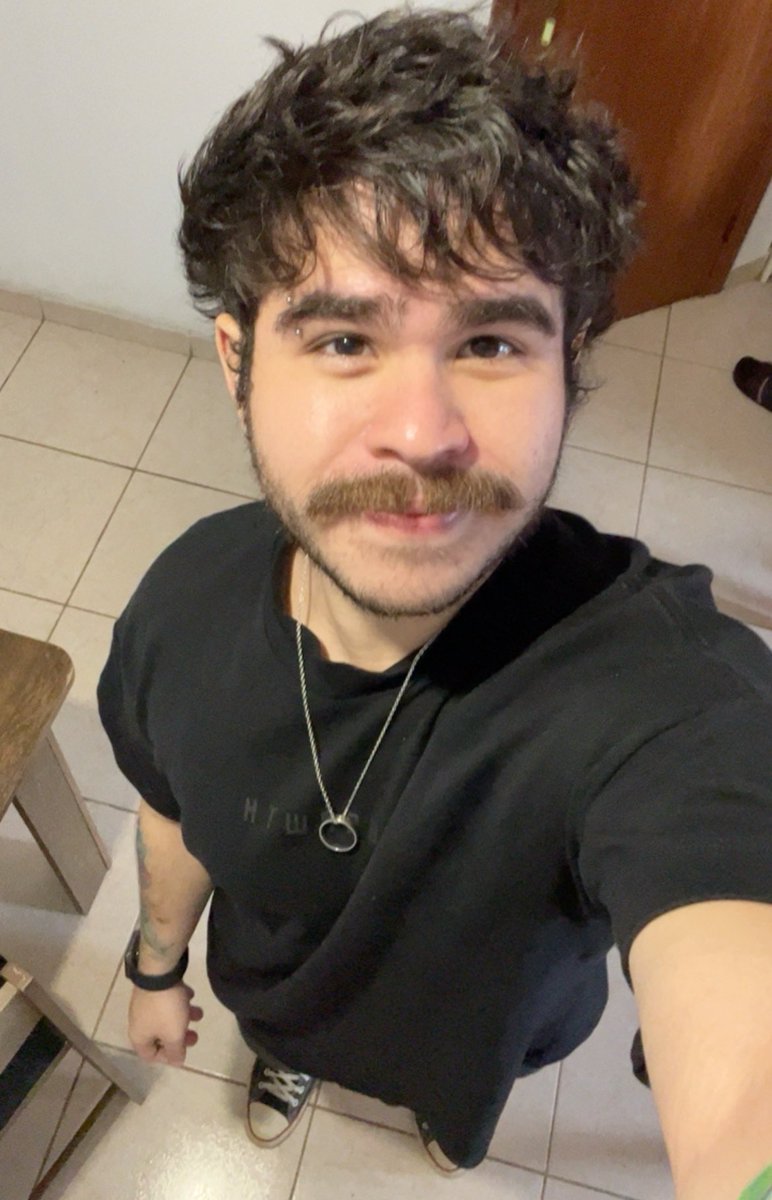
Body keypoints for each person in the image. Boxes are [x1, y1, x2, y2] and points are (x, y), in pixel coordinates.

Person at [97, 8, 772, 1192]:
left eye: (492, 343)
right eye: (343, 339)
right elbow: (170, 813)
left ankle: (443, 1119)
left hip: (495, 1043)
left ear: (569, 365)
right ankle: (293, 1064)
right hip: (277, 996)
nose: (421, 434)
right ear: (238, 364)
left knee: (460, 1102)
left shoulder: (670, 693)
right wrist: (157, 970)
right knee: (289, 1034)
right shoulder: (180, 607)